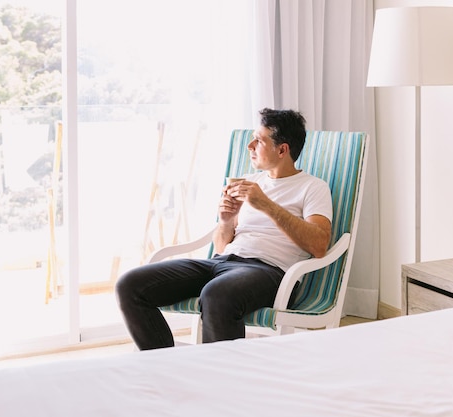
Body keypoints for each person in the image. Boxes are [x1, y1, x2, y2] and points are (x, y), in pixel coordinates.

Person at [115, 108, 333, 350]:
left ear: (282, 150)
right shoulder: (251, 182)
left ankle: (222, 380)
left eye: (259, 140)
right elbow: (221, 247)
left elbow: (319, 244)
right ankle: (167, 364)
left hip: (269, 272)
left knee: (217, 295)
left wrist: (266, 205)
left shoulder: (313, 187)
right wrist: (226, 220)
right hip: (222, 263)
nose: (250, 146)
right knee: (130, 285)